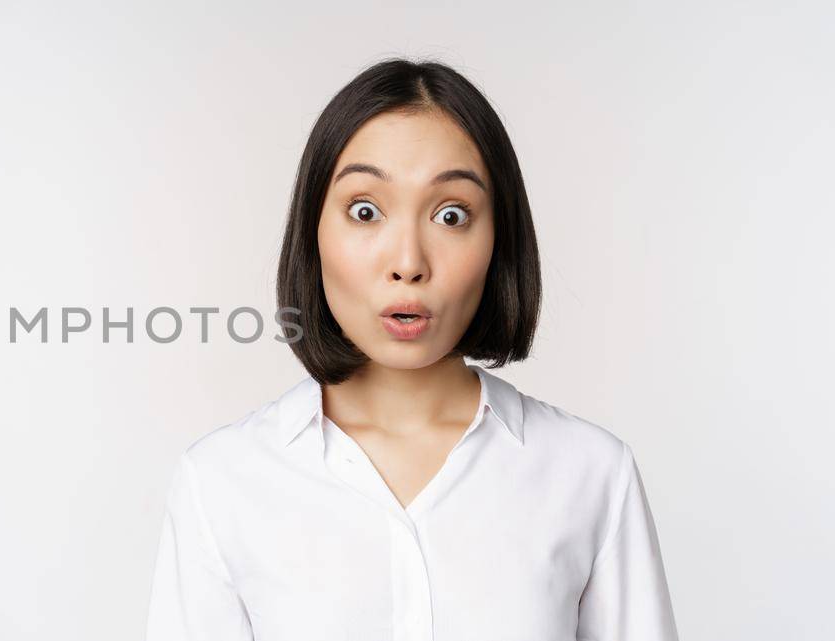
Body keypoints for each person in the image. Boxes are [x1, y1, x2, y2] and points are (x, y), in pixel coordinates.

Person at [144, 58, 679, 641]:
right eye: (365, 211)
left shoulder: (591, 474)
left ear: (498, 240)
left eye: (452, 215)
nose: (408, 262)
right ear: (313, 231)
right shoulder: (222, 482)